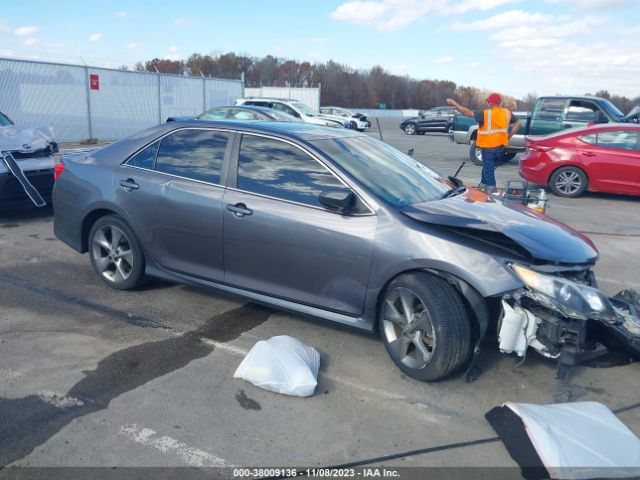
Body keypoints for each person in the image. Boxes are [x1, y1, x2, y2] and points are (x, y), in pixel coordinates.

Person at [446, 94, 520, 193]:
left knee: (489, 174)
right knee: (487, 168)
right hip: (501, 149)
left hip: (489, 148)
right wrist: (509, 135)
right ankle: (482, 186)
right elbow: (518, 123)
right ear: (499, 103)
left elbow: (468, 113)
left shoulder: (486, 114)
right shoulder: (507, 113)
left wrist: (455, 104)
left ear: (490, 102)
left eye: (488, 102)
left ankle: (491, 193)